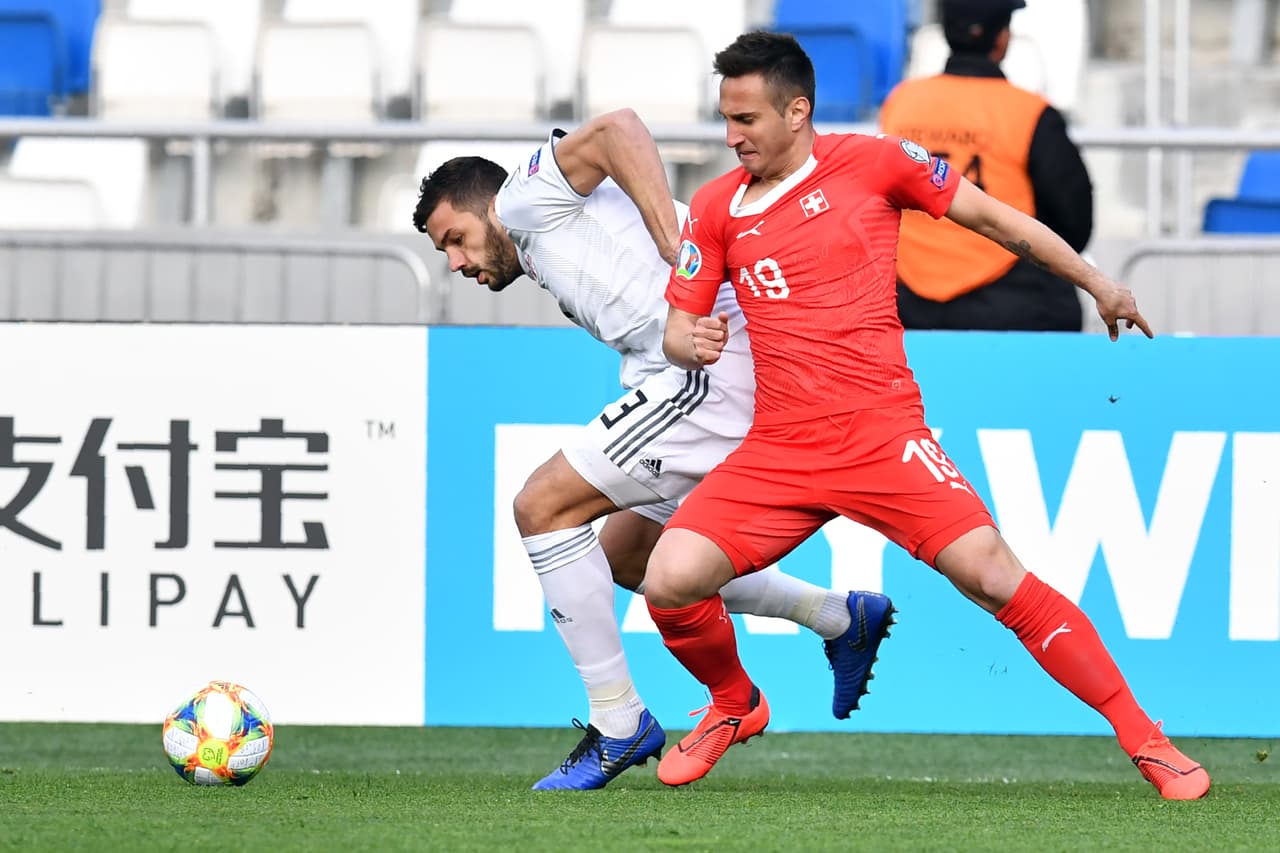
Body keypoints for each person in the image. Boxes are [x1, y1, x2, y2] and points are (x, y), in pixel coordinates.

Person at [643, 31, 1210, 801]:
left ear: (797, 110)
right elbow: (678, 325)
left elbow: (1001, 223)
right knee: (670, 577)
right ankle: (734, 704)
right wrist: (690, 341)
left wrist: (1097, 282)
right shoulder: (713, 209)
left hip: (882, 436)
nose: (731, 134)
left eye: (745, 118)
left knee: (994, 575)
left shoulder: (877, 163)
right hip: (779, 447)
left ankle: (1148, 740)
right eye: (726, 118)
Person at [412, 108, 894, 791]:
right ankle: (840, 616)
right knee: (630, 557)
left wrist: (679, 249)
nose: (457, 262)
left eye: (455, 239)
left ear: (486, 207)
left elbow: (618, 129)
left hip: (706, 371)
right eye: (445, 254)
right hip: (693, 365)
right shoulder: (542, 237)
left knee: (541, 506)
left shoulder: (521, 197)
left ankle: (618, 723)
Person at [879, 0, 1092, 331]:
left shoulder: (900, 102)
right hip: (1007, 300)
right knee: (1063, 298)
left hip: (905, 299)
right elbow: (1075, 224)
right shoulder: (1030, 112)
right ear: (1002, 39)